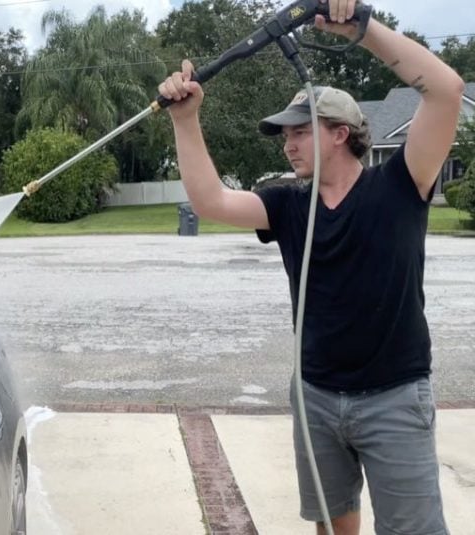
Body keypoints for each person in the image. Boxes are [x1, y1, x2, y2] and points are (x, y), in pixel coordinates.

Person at [157, 1, 465, 534]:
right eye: (285, 135)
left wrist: (362, 29)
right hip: (316, 397)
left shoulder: (399, 185)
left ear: (340, 134)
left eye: (300, 131)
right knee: (331, 529)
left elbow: (445, 89)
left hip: (395, 397)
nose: (289, 142)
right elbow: (210, 201)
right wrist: (186, 119)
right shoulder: (287, 203)